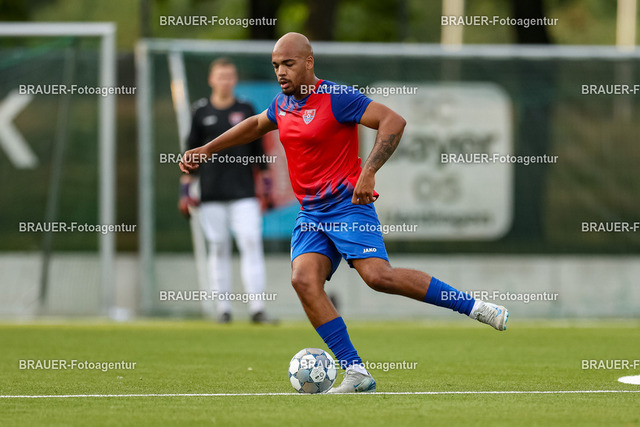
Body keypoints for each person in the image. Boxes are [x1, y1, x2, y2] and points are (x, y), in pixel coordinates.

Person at [179, 33, 508, 392]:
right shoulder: (282, 104)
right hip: (311, 214)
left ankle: (474, 307)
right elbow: (257, 125)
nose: (281, 72)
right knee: (303, 280)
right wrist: (207, 149)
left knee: (378, 277)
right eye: (275, 66)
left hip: (347, 205)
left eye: (288, 63)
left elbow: (393, 121)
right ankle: (355, 371)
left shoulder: (337, 97)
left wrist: (369, 171)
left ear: (308, 62)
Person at [179, 57, 272, 324]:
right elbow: (190, 156)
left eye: (230, 76)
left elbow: (260, 154)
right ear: (212, 79)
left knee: (250, 242)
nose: (225, 81)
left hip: (244, 193)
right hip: (211, 193)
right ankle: (223, 308)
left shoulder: (246, 108)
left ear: (235, 79)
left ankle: (257, 308)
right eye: (221, 76)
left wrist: (266, 188)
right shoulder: (200, 111)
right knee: (218, 247)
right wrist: (185, 192)